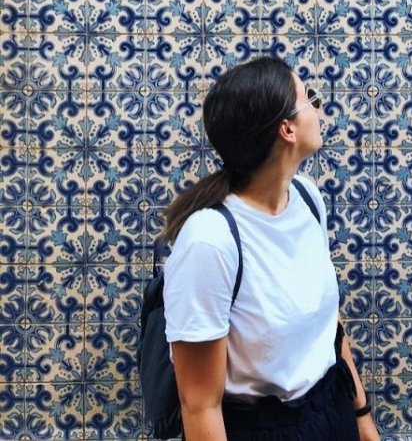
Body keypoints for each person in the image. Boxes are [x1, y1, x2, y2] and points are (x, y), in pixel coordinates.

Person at [161, 57, 381, 441]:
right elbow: (199, 405)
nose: (318, 108)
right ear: (287, 129)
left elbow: (330, 328)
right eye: (309, 97)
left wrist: (362, 419)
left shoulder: (306, 198)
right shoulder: (209, 240)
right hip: (263, 428)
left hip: (331, 409)